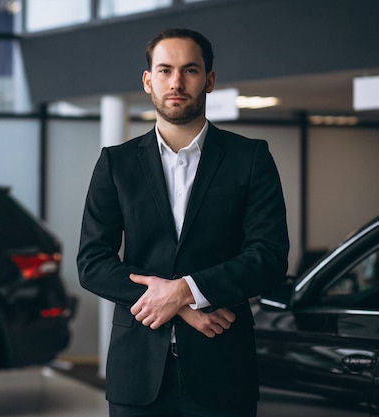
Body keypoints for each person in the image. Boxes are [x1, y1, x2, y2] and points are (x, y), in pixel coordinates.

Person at [77, 28, 289, 417]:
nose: (176, 82)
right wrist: (179, 303)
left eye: (190, 70)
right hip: (137, 372)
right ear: (148, 80)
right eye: (165, 70)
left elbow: (269, 258)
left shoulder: (250, 158)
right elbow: (92, 263)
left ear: (210, 79)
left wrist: (185, 290)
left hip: (223, 370)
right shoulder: (116, 163)